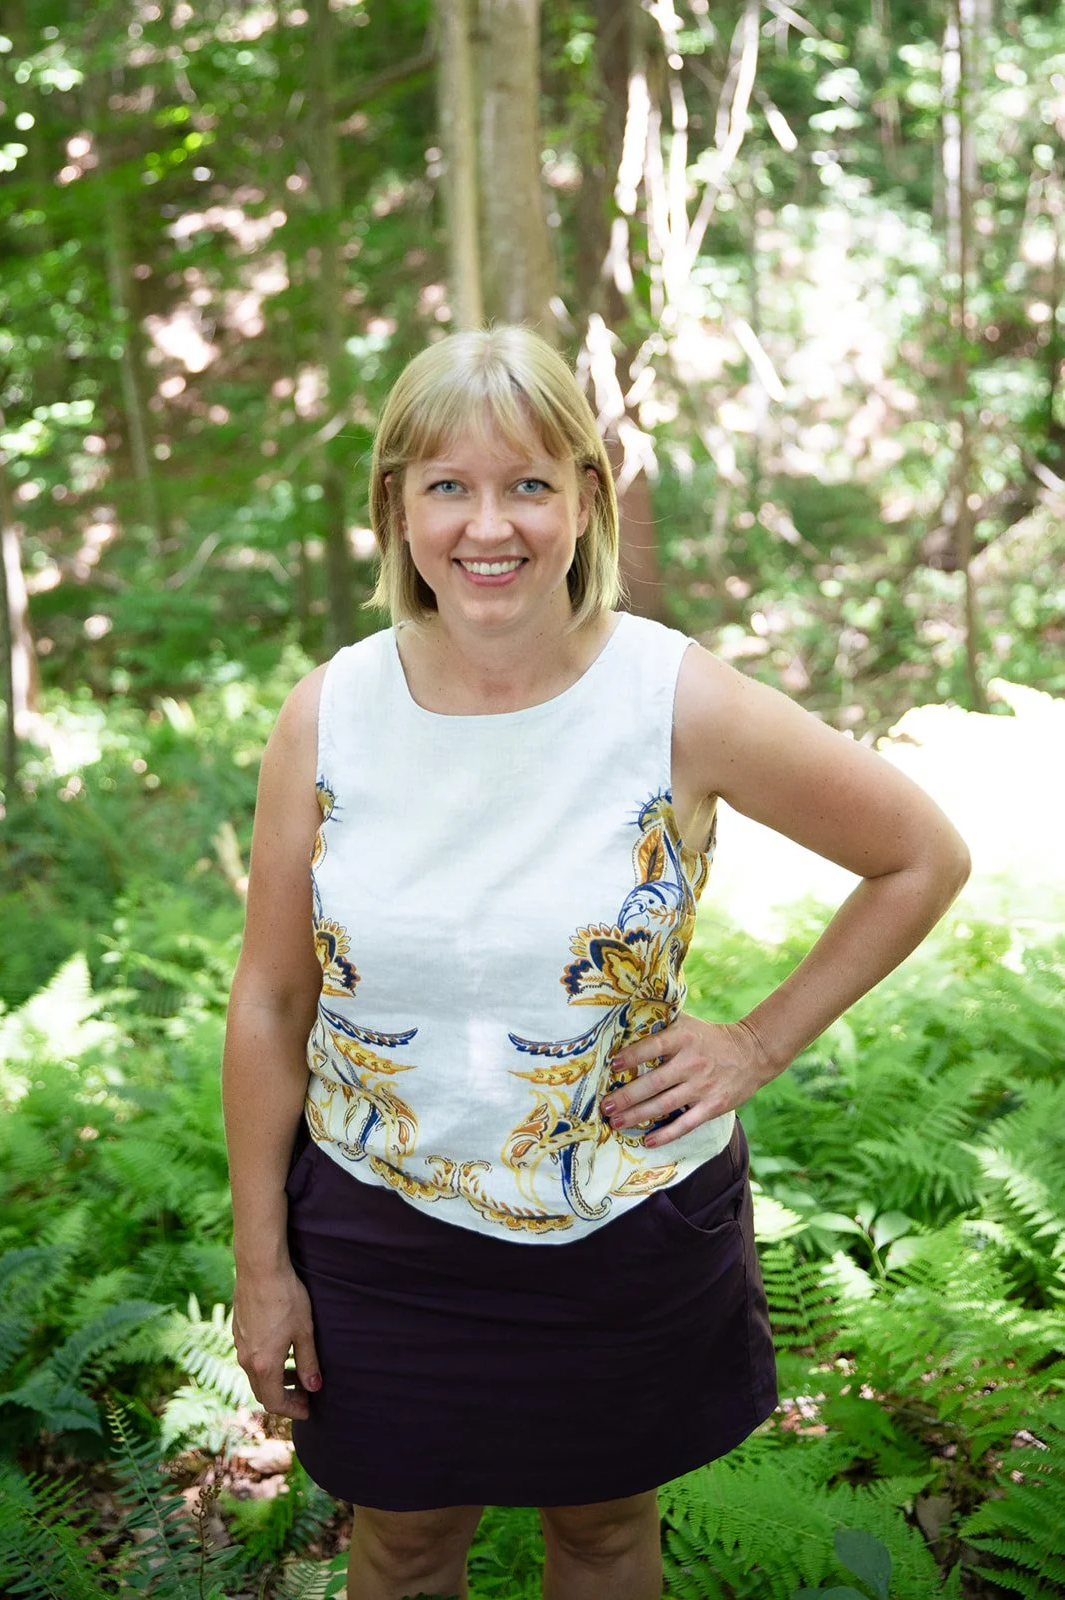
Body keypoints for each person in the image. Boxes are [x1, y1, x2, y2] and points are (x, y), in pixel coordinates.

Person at [222, 324, 971, 1600]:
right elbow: (272, 996)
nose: (488, 525)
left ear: (583, 498)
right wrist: (261, 1263)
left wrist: (757, 1041)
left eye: (527, 483)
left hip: (619, 1217)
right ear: (396, 507)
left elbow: (919, 855)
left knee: (605, 1534)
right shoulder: (328, 712)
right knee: (402, 1545)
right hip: (377, 1219)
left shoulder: (671, 697)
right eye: (447, 485)